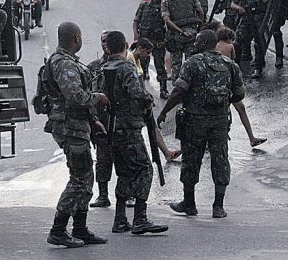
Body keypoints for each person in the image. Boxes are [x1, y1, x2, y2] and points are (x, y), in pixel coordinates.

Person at [158, 29, 246, 219]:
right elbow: (240, 93)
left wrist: (164, 112)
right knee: (220, 158)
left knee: (191, 159)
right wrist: (223, 104)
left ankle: (189, 204)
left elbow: (178, 92)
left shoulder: (192, 63)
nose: (195, 44)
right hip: (220, 121)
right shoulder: (229, 64)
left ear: (205, 43)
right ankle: (218, 206)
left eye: (198, 41)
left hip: (194, 121)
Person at [42, 22, 109, 248]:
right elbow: (76, 97)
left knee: (86, 178)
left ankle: (80, 228)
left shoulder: (68, 62)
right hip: (69, 127)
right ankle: (58, 230)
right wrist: (98, 97)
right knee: (79, 178)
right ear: (77, 38)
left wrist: (93, 120)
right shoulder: (63, 64)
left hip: (78, 125)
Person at [102, 31, 169, 235]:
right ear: (126, 45)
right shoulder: (125, 67)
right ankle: (140, 217)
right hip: (129, 127)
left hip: (111, 128)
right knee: (144, 169)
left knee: (124, 173)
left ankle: (120, 218)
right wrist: (148, 101)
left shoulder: (103, 67)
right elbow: (136, 93)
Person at [215, 27, 267, 147]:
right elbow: (233, 61)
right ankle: (251, 137)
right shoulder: (230, 47)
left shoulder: (215, 45)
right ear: (229, 37)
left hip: (217, 82)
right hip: (229, 83)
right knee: (241, 110)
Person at [230, 0, 270, 78]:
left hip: (257, 18)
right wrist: (239, 8)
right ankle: (235, 67)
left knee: (259, 44)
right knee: (238, 41)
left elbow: (267, 3)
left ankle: (258, 68)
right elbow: (232, 4)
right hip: (245, 18)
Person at [161, 0, 204, 84]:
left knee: (176, 64)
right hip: (192, 34)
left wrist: (180, 31)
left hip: (176, 36)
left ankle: (177, 89)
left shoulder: (166, 1)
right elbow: (201, 12)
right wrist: (199, 27)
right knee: (192, 62)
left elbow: (166, 19)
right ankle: (193, 85)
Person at [88, 32, 113, 209]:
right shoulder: (93, 67)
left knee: (124, 159)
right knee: (103, 159)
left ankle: (127, 195)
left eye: (108, 41)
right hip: (100, 120)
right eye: (102, 41)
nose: (105, 44)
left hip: (120, 120)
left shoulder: (125, 65)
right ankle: (103, 195)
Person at [134, 0, 169, 98]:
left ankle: (163, 89)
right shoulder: (144, 5)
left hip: (158, 41)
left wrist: (166, 39)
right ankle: (143, 91)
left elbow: (168, 24)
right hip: (145, 40)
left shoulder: (165, 7)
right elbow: (136, 20)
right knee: (142, 67)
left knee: (160, 66)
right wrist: (136, 33)